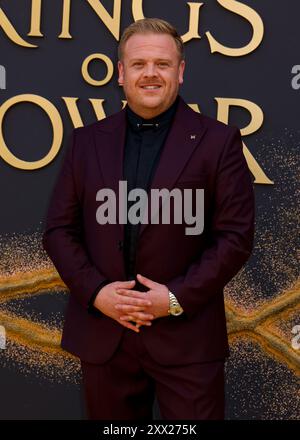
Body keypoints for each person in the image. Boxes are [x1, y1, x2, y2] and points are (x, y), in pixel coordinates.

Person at [42, 18, 255, 420]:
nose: (151, 74)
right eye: (139, 64)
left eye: (162, 63)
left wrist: (174, 299)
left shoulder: (219, 141)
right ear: (121, 73)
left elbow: (235, 237)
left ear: (180, 71)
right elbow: (58, 230)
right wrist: (98, 293)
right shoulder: (87, 141)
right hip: (105, 338)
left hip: (187, 340)